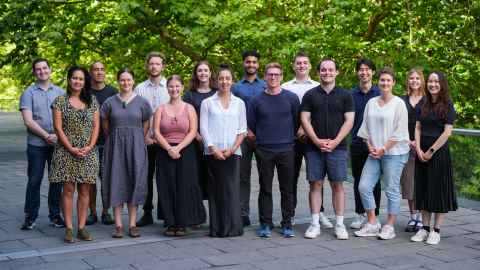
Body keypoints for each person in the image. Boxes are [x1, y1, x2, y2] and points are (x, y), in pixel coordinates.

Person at [301, 59, 354, 240]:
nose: (327, 72)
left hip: (337, 148)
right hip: (314, 148)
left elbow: (349, 121)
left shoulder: (345, 95)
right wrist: (316, 140)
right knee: (315, 184)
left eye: (331, 70)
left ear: (337, 72)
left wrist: (335, 141)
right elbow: (305, 119)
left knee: (337, 185)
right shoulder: (309, 95)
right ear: (318, 73)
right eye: (323, 70)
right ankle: (315, 223)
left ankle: (339, 224)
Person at [354, 68, 409, 240]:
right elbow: (365, 129)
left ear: (393, 83)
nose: (385, 83)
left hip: (394, 153)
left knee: (391, 190)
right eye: (382, 80)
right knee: (363, 186)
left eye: (388, 80)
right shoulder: (371, 102)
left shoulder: (399, 104)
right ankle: (372, 223)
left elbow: (400, 132)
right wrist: (370, 146)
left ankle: (389, 226)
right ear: (378, 82)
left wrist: (383, 148)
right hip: (374, 153)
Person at [282, 52, 332, 228]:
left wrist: (307, 129)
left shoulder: (320, 86)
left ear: (310, 66)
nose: (302, 65)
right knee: (291, 177)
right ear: (293, 66)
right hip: (292, 139)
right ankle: (291, 214)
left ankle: (320, 213)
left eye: (305, 63)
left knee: (317, 178)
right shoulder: (285, 87)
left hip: (314, 138)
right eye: (298, 63)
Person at [49, 66, 99, 243]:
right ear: (69, 80)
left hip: (87, 152)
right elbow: (58, 128)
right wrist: (70, 148)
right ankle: (69, 228)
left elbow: (96, 127)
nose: (77, 81)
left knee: (85, 190)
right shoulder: (59, 101)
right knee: (68, 189)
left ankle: (82, 227)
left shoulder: (92, 101)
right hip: (66, 151)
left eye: (81, 79)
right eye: (74, 78)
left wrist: (90, 146)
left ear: (85, 82)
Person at [249, 62, 299, 238]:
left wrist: (289, 140)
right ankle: (265, 223)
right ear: (265, 77)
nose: (273, 77)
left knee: (287, 189)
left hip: (287, 149)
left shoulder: (291, 98)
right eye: (270, 74)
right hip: (264, 150)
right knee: (265, 188)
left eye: (276, 74)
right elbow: (251, 127)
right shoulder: (256, 100)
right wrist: (259, 143)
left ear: (282, 77)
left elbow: (297, 123)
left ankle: (287, 224)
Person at [101, 68, 152, 238]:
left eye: (129, 80)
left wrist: (138, 137)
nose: (126, 83)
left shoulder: (142, 102)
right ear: (118, 81)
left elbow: (146, 123)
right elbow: (105, 123)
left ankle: (132, 224)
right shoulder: (109, 102)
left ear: (133, 81)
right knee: (116, 180)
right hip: (115, 146)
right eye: (122, 80)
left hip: (136, 146)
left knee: (134, 180)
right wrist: (116, 136)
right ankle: (118, 225)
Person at [153, 75, 206, 236]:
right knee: (167, 186)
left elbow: (192, 131)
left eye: (177, 86)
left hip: (186, 151)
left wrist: (178, 148)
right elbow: (156, 131)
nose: (174, 89)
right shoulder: (160, 109)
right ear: (167, 88)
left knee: (184, 185)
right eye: (171, 86)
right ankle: (170, 223)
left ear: (182, 88)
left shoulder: (189, 108)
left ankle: (183, 222)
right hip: (164, 150)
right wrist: (169, 148)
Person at [410, 71, 457, 245]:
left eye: (436, 81)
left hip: (438, 155)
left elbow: (447, 132)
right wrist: (419, 148)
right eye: (430, 81)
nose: (433, 84)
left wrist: (430, 151)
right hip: (421, 153)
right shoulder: (423, 103)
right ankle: (424, 228)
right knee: (423, 189)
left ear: (442, 84)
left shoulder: (448, 105)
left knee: (438, 191)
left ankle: (436, 230)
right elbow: (418, 127)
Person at [200, 64, 246, 237]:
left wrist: (233, 148)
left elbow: (242, 129)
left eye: (227, 78)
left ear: (232, 81)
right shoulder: (207, 103)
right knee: (216, 190)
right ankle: (218, 228)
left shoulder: (240, 103)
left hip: (233, 152)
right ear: (216, 80)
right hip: (213, 152)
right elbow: (203, 128)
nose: (224, 81)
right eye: (221, 78)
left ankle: (234, 227)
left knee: (232, 190)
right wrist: (213, 149)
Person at [19, 58, 65, 230]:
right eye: (38, 69)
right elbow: (28, 121)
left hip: (57, 145)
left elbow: (66, 119)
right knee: (34, 180)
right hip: (36, 145)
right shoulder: (28, 93)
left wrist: (59, 137)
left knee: (56, 181)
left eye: (45, 68)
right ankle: (30, 216)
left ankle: (55, 216)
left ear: (50, 70)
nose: (42, 71)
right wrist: (47, 136)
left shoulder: (60, 93)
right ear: (34, 72)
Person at [134, 52, 169, 227]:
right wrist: (144, 136)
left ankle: (166, 212)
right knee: (146, 177)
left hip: (166, 140)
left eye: (158, 64)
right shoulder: (139, 89)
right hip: (145, 140)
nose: (154, 66)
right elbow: (135, 115)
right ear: (147, 66)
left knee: (164, 176)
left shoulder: (169, 87)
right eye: (151, 64)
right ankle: (147, 212)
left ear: (163, 66)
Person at [232, 50, 266, 227]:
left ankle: (264, 214)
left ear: (258, 65)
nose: (251, 64)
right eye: (248, 62)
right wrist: (246, 131)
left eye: (254, 62)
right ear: (243, 64)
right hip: (243, 137)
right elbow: (233, 112)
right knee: (242, 176)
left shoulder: (266, 85)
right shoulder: (236, 88)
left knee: (265, 177)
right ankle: (243, 212)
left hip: (263, 137)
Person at [349, 58, 381, 230]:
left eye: (368, 69)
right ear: (357, 72)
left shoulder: (379, 93)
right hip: (357, 144)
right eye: (361, 69)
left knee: (375, 181)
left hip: (376, 145)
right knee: (358, 180)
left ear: (373, 72)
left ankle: (375, 216)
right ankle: (360, 213)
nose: (364, 72)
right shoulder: (350, 95)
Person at [86, 61, 117, 226]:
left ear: (105, 72)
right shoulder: (85, 92)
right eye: (95, 69)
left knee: (106, 179)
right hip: (89, 144)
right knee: (90, 181)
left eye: (102, 69)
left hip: (108, 143)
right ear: (90, 73)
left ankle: (106, 212)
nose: (99, 72)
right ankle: (92, 212)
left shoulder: (113, 92)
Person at [183, 60, 217, 201]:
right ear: (196, 74)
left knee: (214, 177)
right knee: (196, 177)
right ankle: (196, 215)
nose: (203, 73)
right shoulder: (189, 95)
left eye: (205, 70)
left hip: (215, 141)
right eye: (199, 71)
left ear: (210, 73)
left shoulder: (217, 92)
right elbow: (186, 117)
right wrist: (196, 135)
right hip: (195, 141)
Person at [400, 68, 425, 233]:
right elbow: (397, 122)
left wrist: (419, 142)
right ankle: (413, 217)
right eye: (411, 78)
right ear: (408, 81)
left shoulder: (428, 100)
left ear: (421, 80)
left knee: (423, 183)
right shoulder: (401, 100)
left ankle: (422, 219)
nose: (414, 81)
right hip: (406, 146)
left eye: (417, 78)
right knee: (409, 183)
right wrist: (406, 140)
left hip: (423, 147)